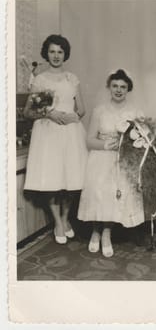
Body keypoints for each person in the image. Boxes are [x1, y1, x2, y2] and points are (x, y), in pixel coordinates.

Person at [23, 34, 87, 244]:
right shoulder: (40, 79)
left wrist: (73, 116)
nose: (56, 56)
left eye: (60, 51)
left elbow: (82, 109)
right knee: (51, 178)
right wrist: (50, 114)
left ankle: (66, 217)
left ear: (65, 54)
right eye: (52, 51)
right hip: (48, 131)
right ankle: (58, 221)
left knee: (71, 179)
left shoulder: (72, 78)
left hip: (70, 131)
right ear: (46, 53)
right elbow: (28, 111)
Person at [77, 69, 145, 257]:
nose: (118, 90)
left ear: (128, 89)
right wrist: (106, 144)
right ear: (109, 87)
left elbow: (142, 139)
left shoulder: (135, 112)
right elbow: (89, 141)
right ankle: (95, 231)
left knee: (114, 194)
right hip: (101, 156)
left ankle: (106, 232)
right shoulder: (99, 111)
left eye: (123, 87)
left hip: (122, 160)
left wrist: (129, 145)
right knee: (99, 192)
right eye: (115, 86)